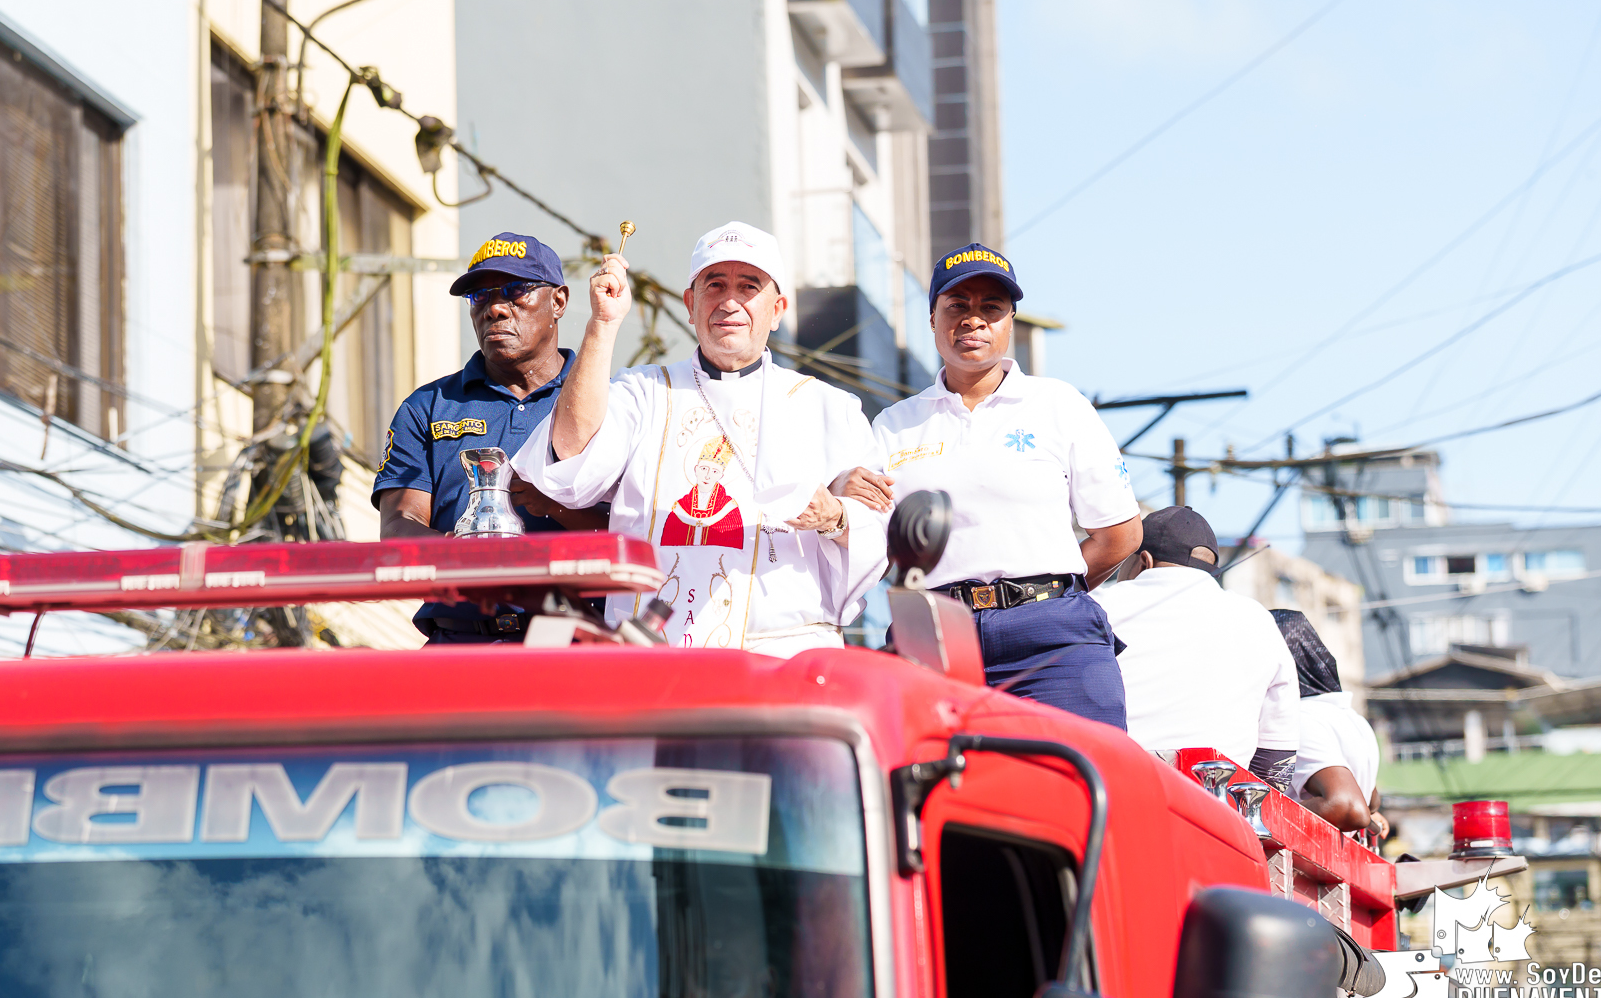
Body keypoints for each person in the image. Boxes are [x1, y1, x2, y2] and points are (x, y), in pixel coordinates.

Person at [513, 221, 886, 656]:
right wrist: (603, 324)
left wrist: (835, 515)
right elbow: (570, 456)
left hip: (785, 656)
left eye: (749, 286)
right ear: (691, 304)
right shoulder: (643, 392)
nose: (730, 301)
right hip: (656, 656)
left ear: (778, 308)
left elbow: (877, 532)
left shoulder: (829, 407)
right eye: (715, 284)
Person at [840, 244, 1141, 729]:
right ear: (933, 317)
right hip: (933, 639)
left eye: (991, 308)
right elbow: (870, 544)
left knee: (1082, 786)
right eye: (957, 306)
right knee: (932, 793)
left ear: (1010, 322)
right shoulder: (894, 425)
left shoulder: (1058, 405)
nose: (973, 320)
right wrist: (837, 499)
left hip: (1052, 640)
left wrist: (1047, 591)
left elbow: (1120, 537)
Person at [372, 231, 606, 644]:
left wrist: (551, 504)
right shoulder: (428, 405)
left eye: (517, 290)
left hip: (572, 645)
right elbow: (397, 527)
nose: (496, 308)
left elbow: (638, 526)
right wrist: (466, 549)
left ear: (559, 302)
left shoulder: (610, 400)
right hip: (459, 645)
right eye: (480, 296)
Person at [1093, 506, 1299, 785]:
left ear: (1144, 561)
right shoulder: (1259, 621)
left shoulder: (1099, 608)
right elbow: (1276, 763)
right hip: (1219, 808)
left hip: (1112, 790)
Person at [1272, 609, 1386, 837]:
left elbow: (1348, 807)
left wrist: (1267, 815)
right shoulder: (1353, 719)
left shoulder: (1300, 719)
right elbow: (1370, 801)